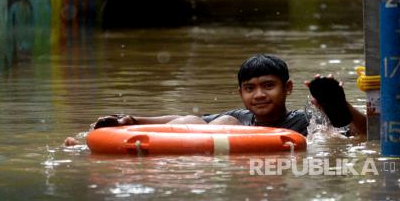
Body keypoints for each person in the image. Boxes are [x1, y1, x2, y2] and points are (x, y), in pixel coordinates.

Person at [64, 54, 366, 146]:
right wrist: (129, 121)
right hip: (219, 151)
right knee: (202, 120)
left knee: (327, 133)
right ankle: (88, 145)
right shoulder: (239, 116)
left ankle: (336, 107)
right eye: (250, 88)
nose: (259, 94)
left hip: (290, 148)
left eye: (268, 86)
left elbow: (366, 137)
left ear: (287, 89)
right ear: (241, 94)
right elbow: (173, 121)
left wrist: (340, 109)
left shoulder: (303, 119)